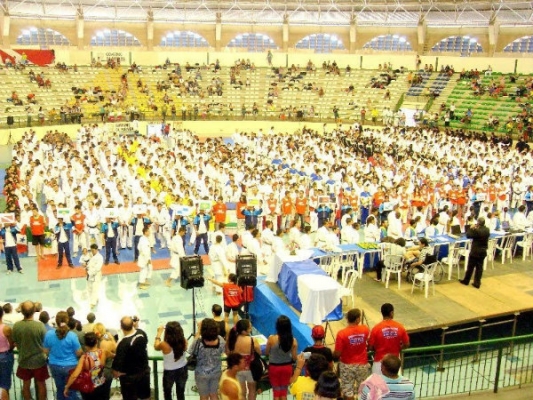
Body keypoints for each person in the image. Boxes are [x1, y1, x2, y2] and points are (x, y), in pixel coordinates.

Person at [12, 300, 49, 400]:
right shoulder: (40, 326)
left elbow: (15, 342)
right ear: (34, 311)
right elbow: (46, 342)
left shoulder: (16, 326)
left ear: (22, 311)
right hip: (39, 361)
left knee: (26, 385)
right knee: (41, 384)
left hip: (24, 361)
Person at [43, 311, 83, 400]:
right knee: (71, 390)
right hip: (70, 366)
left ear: (56, 321)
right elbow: (78, 352)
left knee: (60, 389)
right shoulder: (72, 336)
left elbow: (45, 350)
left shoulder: (49, 334)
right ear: (67, 320)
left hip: (54, 365)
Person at [333, 309, 370, 400]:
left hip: (347, 365)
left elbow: (337, 353)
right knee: (363, 390)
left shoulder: (342, 334)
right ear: (357, 319)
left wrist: (333, 357)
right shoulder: (365, 329)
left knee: (348, 391)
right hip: (362, 364)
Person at [112, 316, 150, 400]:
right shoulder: (141, 333)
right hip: (144, 373)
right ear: (133, 324)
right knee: (145, 396)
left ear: (121, 327)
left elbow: (115, 370)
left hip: (129, 378)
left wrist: (118, 373)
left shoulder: (123, 344)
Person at [190, 318, 226, 400]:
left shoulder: (198, 342)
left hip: (201, 373)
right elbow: (225, 350)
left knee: (203, 396)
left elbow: (192, 350)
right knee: (214, 394)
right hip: (216, 372)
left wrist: (198, 331)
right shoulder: (220, 339)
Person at [64, 332, 107, 400]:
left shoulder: (85, 357)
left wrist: (67, 386)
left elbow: (75, 375)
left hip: (90, 387)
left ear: (85, 345)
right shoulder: (103, 352)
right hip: (102, 384)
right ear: (96, 342)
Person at [368, 303, 410, 374]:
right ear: (391, 313)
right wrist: (399, 348)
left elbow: (370, 347)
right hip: (394, 363)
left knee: (377, 381)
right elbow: (407, 344)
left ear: (382, 313)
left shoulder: (376, 328)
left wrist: (377, 349)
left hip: (379, 363)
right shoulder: (400, 327)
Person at [226, 319, 261, 400]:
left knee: (241, 391)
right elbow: (259, 352)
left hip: (237, 369)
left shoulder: (232, 340)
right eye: (249, 327)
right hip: (250, 369)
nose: (251, 329)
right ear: (244, 330)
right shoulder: (252, 340)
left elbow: (228, 352)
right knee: (252, 390)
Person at [265, 315, 298, 400]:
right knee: (284, 392)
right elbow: (294, 358)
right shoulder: (293, 340)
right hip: (287, 368)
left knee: (276, 392)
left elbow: (266, 352)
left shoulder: (271, 338)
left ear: (277, 326)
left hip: (274, 368)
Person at [154, 321, 188, 400]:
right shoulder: (184, 341)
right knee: (181, 393)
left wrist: (159, 333)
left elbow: (156, 346)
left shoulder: (164, 344)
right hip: (182, 369)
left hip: (169, 372)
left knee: (167, 393)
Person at [460, 217, 490, 289]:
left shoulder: (477, 231)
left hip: (475, 251)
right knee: (479, 268)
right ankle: (477, 283)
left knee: (470, 267)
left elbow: (468, 235)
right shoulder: (487, 230)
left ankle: (466, 280)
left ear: (478, 223)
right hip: (483, 251)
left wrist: (471, 228)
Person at [93, 322, 117, 398]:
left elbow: (101, 361)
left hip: (101, 371)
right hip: (108, 371)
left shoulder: (102, 342)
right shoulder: (108, 339)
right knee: (105, 393)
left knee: (98, 394)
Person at [0, 306, 15, 395]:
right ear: (2, 314)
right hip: (5, 357)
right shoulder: (6, 329)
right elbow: (11, 344)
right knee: (5, 384)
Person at [86, 244, 103, 309]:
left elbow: (97, 268)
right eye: (91, 250)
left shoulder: (100, 257)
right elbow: (89, 264)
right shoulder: (91, 256)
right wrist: (87, 268)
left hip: (96, 275)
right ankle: (95, 299)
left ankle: (93, 303)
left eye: (93, 250)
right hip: (90, 274)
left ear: (96, 250)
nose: (92, 252)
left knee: (95, 289)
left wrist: (89, 272)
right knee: (90, 288)